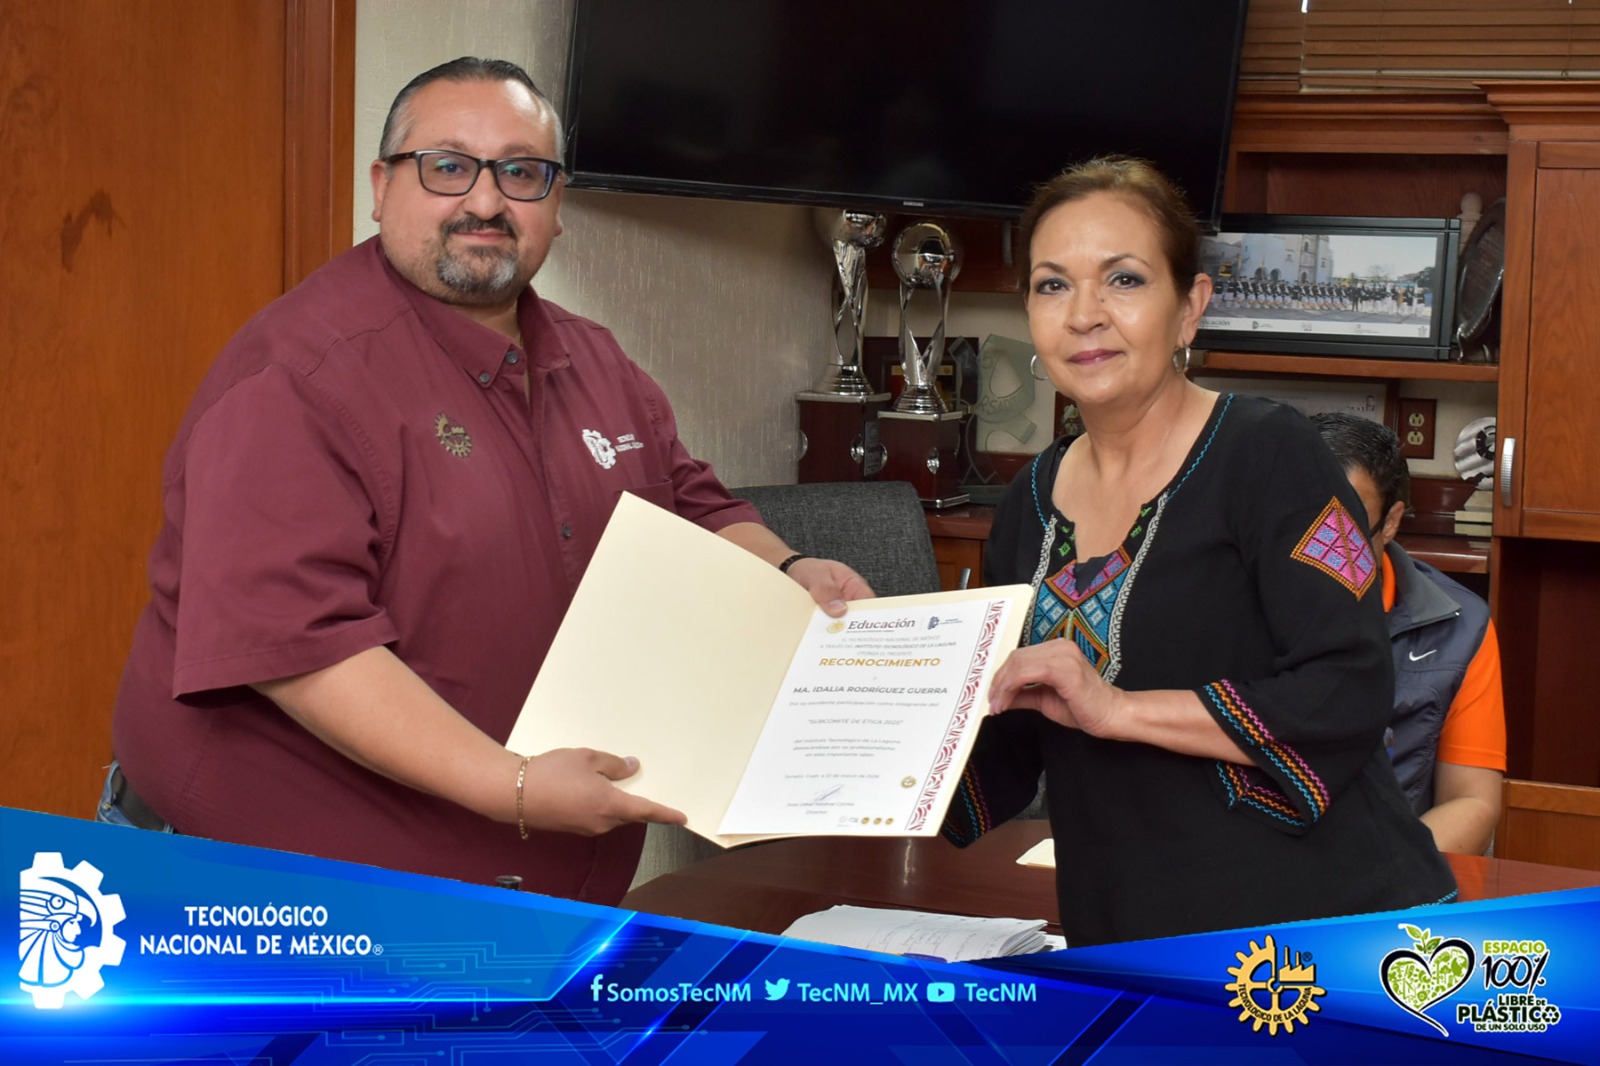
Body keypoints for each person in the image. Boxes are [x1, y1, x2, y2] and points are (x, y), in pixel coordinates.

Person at [103, 57, 869, 904]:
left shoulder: (594, 358)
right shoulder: (295, 378)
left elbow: (689, 502)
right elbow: (302, 649)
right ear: (381, 188)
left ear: (556, 204)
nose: (485, 201)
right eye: (447, 166)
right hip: (278, 901)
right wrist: (516, 787)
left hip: (526, 903)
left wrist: (790, 568)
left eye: (522, 173)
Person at [941, 156, 1456, 946]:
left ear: (1190, 308)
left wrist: (1118, 710)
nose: (1084, 314)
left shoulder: (1271, 454)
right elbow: (1014, 742)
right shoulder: (1027, 504)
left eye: (1124, 280)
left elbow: (1348, 688)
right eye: (1052, 285)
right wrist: (863, 739)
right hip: (1127, 925)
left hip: (1319, 932)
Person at [1312, 413, 1506, 855]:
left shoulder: (1460, 627)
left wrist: (1384, 871)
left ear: (1391, 522)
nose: (1317, 556)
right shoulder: (1227, 602)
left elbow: (1472, 801)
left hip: (1389, 864)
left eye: (1344, 534)